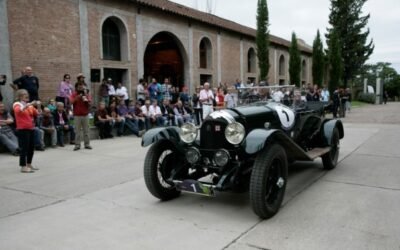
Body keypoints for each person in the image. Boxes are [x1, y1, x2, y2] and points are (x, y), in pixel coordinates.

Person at [13, 89, 40, 173]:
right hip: (22, 129)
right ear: (20, 96)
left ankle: (29, 164)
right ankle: (23, 166)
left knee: (31, 148)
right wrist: (29, 104)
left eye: (27, 93)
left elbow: (38, 113)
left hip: (31, 128)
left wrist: (38, 106)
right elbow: (18, 111)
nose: (27, 95)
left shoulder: (30, 106)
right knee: (24, 148)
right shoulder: (17, 104)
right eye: (24, 94)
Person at [70, 80, 92, 151]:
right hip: (77, 115)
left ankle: (87, 144)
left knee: (86, 131)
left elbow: (90, 104)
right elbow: (71, 102)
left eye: (82, 87)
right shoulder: (74, 94)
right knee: (77, 131)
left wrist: (86, 100)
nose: (81, 88)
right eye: (79, 87)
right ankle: (77, 145)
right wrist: (77, 97)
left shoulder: (87, 94)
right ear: (76, 88)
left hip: (85, 115)